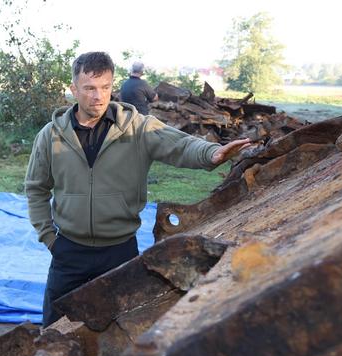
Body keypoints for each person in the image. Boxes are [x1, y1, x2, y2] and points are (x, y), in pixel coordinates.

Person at [25, 52, 250, 327]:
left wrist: (211, 153)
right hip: (69, 250)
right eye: (90, 88)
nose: (98, 96)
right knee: (54, 327)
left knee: (122, 326)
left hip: (120, 250)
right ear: (74, 90)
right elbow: (36, 189)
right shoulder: (51, 136)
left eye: (105, 87)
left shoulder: (137, 128)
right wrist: (50, 239)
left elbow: (180, 144)